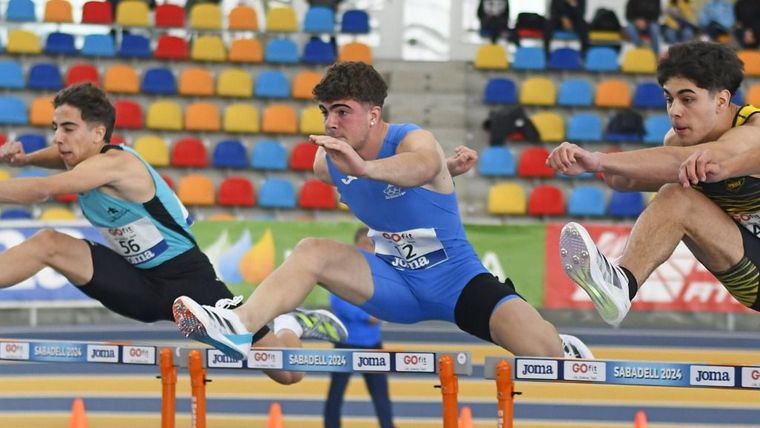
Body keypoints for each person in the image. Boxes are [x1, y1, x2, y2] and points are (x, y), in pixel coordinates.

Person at [172, 61, 594, 363]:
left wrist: (387, 169)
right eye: (326, 112)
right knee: (312, 251)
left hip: (457, 283)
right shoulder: (328, 164)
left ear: (374, 115)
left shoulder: (414, 139)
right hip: (392, 281)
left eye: (342, 112)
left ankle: (561, 343)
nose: (331, 123)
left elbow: (421, 166)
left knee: (548, 358)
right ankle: (240, 326)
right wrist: (421, 174)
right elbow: (399, 188)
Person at [0, 83, 348, 385]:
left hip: (188, 282)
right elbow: (58, 159)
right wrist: (26, 158)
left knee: (287, 373)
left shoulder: (116, 165)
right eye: (55, 127)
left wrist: (24, 167)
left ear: (98, 133)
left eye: (68, 128)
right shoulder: (78, 156)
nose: (58, 138)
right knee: (49, 243)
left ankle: (289, 325)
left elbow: (45, 189)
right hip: (135, 281)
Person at [546, 41, 760, 327]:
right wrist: (588, 166)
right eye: (669, 99)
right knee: (675, 196)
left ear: (721, 100)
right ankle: (621, 283)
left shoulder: (752, 131)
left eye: (688, 99)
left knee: (679, 191)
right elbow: (626, 180)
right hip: (750, 270)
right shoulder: (677, 141)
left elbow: (709, 160)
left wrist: (599, 160)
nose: (675, 112)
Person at [323, 226, 394, 428]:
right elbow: (337, 301)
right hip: (346, 343)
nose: (369, 249)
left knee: (381, 396)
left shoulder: (380, 272)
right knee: (336, 394)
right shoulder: (342, 270)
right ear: (355, 245)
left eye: (372, 245)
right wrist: (366, 315)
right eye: (365, 244)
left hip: (372, 343)